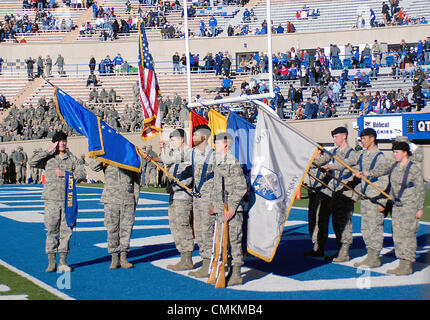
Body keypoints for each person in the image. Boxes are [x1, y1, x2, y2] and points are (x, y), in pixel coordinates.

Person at [357, 141, 425, 275]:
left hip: (409, 206)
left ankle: (407, 263)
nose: (394, 155)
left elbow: (420, 189)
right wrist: (366, 173)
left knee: (408, 235)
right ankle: (402, 262)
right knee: (398, 235)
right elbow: (380, 171)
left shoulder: (413, 169)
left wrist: (420, 208)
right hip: (397, 206)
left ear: (405, 153)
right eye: (393, 152)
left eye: (397, 152)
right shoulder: (394, 166)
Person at [29, 131, 86, 272]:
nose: (63, 143)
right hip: (52, 200)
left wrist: (67, 174)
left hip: (68, 200)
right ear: (55, 143)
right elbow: (32, 162)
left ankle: (63, 261)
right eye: (59, 141)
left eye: (64, 141)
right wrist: (48, 151)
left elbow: (82, 174)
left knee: (66, 231)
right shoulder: (49, 159)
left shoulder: (72, 159)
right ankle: (51, 261)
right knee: (52, 230)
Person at [150, 129, 194, 271]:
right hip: (173, 195)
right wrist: (161, 152)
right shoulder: (174, 154)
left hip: (183, 195)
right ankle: (182, 256)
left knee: (183, 226)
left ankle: (187, 258)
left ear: (182, 139)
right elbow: (168, 165)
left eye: (173, 140)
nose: (171, 143)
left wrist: (157, 157)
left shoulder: (188, 153)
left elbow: (188, 177)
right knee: (175, 226)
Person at [314, 127, 359, 262]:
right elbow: (320, 161)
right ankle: (329, 249)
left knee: (343, 223)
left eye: (336, 136)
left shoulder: (352, 154)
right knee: (329, 221)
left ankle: (343, 252)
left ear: (344, 136)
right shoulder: (333, 152)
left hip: (345, 194)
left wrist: (355, 195)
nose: (334, 139)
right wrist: (307, 161)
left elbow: (351, 170)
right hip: (332, 192)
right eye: (333, 137)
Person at [347, 128, 390, 268]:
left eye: (364, 139)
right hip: (365, 198)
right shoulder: (364, 155)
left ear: (372, 138)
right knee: (365, 228)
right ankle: (370, 255)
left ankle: (375, 257)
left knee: (375, 228)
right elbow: (361, 180)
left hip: (375, 199)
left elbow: (385, 181)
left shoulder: (380, 157)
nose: (362, 142)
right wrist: (356, 194)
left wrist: (382, 202)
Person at [209, 132, 248, 286]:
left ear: (225, 144)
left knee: (234, 240)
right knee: (222, 243)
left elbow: (241, 187)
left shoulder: (232, 162)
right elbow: (217, 186)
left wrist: (231, 208)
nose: (214, 145)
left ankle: (236, 273)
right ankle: (226, 269)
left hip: (232, 211)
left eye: (217, 143)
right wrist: (214, 205)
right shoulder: (219, 161)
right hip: (221, 209)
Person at [89, 159, 141, 269]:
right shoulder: (107, 155)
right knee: (112, 229)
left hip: (127, 199)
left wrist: (135, 199)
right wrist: (103, 156)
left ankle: (123, 257)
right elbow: (93, 167)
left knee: (126, 229)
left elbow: (136, 181)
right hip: (111, 199)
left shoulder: (129, 156)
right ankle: (114, 257)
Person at [187, 125, 216, 278]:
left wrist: (216, 203)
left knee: (207, 231)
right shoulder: (192, 153)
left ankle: (209, 263)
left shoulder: (215, 155)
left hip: (209, 198)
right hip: (197, 198)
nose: (193, 137)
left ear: (204, 137)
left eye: (195, 134)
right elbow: (174, 159)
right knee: (198, 230)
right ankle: (206, 261)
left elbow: (221, 180)